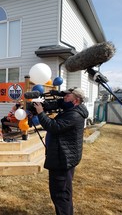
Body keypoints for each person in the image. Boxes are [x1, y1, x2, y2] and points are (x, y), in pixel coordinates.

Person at [33, 87, 88, 215]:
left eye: (67, 96)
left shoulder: (74, 114)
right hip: (64, 157)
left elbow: (54, 127)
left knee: (60, 195)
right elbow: (58, 107)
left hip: (62, 160)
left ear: (76, 100)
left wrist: (41, 112)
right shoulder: (72, 110)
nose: (64, 98)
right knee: (64, 192)